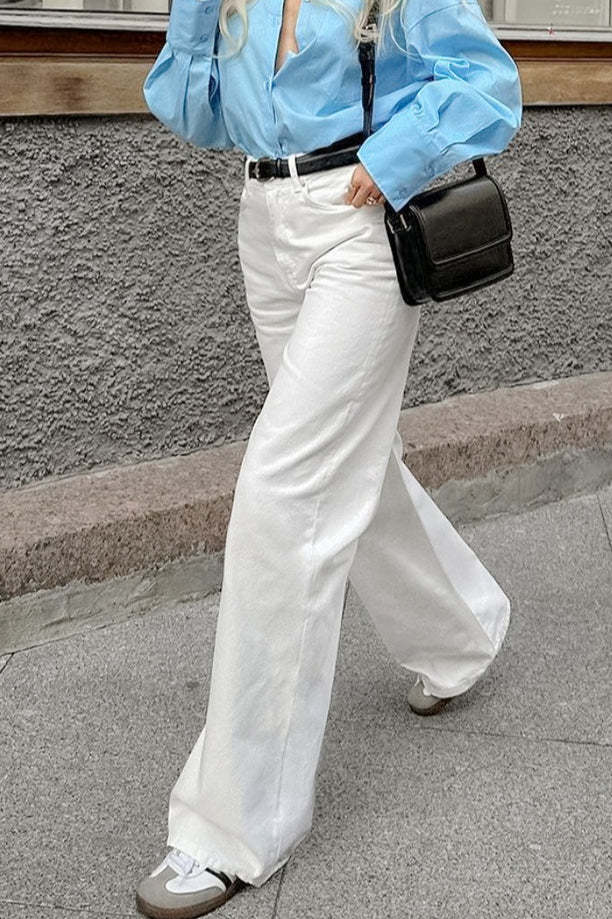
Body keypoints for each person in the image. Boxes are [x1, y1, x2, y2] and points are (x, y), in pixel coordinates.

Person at [137, 0, 522, 915]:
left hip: (360, 226)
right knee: (352, 465)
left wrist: (393, 161)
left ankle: (236, 825)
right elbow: (192, 113)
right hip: (264, 220)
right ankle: (460, 635)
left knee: (286, 494)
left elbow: (489, 85)